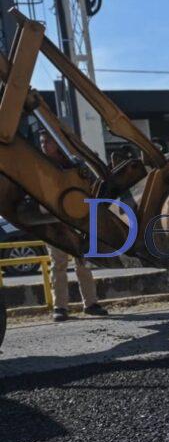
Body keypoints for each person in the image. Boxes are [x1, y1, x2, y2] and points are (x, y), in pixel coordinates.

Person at [39, 131, 108, 322]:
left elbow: (90, 184)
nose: (44, 145)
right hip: (53, 222)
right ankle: (60, 308)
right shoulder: (40, 165)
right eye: (42, 142)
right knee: (58, 264)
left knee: (83, 263)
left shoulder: (73, 164)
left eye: (48, 141)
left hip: (77, 219)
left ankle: (91, 303)